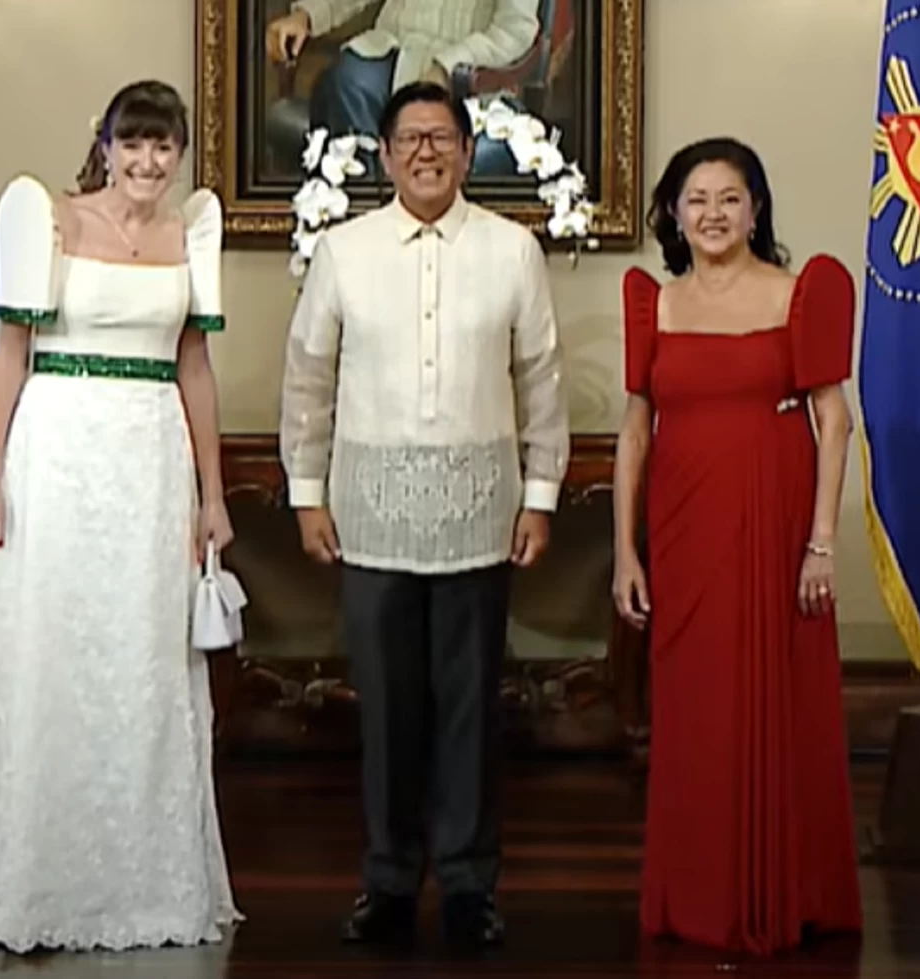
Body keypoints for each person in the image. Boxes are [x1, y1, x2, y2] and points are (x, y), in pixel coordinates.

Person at [0, 80, 244, 953]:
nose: (149, 163)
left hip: (150, 462)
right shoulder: (48, 220)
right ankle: (30, 872)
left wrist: (214, 492)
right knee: (49, 642)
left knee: (137, 652)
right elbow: (8, 360)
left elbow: (194, 368)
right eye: (134, 144)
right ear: (106, 145)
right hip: (58, 454)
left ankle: (136, 874)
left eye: (165, 147)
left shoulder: (187, 232)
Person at [279, 81, 569, 947]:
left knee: (472, 708)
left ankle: (473, 884)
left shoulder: (514, 250)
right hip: (370, 515)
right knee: (389, 708)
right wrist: (304, 492)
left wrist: (542, 495)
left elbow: (541, 382)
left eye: (441, 137)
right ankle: (390, 880)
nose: (426, 153)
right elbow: (308, 378)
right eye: (409, 139)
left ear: (465, 146)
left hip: (483, 514)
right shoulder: (344, 250)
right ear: (386, 150)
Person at [612, 137, 863, 955]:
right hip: (684, 531)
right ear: (674, 214)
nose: (713, 213)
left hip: (777, 523)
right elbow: (636, 431)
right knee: (694, 716)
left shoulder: (802, 292)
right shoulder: (655, 301)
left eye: (730, 197)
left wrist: (822, 541)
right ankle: (698, 897)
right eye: (696, 199)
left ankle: (785, 893)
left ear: (756, 208)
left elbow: (835, 420)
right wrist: (626, 549)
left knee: (778, 704)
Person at [265, 0, 540, 177]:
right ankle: (365, 219)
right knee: (346, 82)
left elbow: (513, 33)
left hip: (472, 77)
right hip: (393, 51)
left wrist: (447, 66)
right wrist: (305, 16)